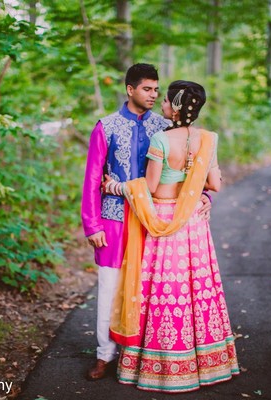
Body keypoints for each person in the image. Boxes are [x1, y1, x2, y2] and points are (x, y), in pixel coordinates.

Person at [105, 80, 240, 393]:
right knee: (194, 290)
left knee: (165, 292)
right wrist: (201, 195)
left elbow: (148, 189)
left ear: (174, 107)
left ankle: (159, 366)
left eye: (165, 100)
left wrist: (115, 187)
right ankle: (205, 364)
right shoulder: (209, 139)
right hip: (193, 222)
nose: (161, 104)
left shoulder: (160, 139)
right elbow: (215, 184)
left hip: (163, 220)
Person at [81, 65, 213, 381]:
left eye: (157, 90)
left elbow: (187, 171)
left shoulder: (165, 127)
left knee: (148, 292)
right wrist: (92, 224)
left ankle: (136, 356)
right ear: (130, 90)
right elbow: (92, 178)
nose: (154, 95)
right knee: (110, 288)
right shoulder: (107, 127)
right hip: (114, 220)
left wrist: (205, 196)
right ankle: (104, 355)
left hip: (154, 222)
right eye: (147, 89)